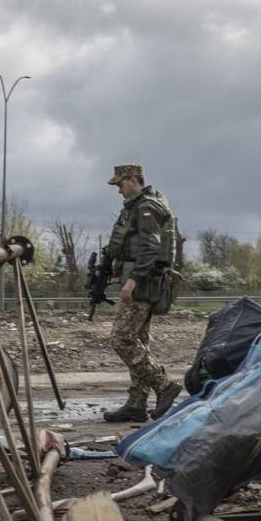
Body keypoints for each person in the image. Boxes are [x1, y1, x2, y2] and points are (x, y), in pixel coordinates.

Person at [102, 163, 182, 423]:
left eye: (121, 185)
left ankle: (164, 385)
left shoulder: (146, 207)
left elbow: (149, 247)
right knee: (139, 341)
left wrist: (133, 280)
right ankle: (137, 403)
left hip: (142, 283)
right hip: (143, 281)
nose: (119, 190)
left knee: (122, 338)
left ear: (134, 180)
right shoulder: (141, 205)